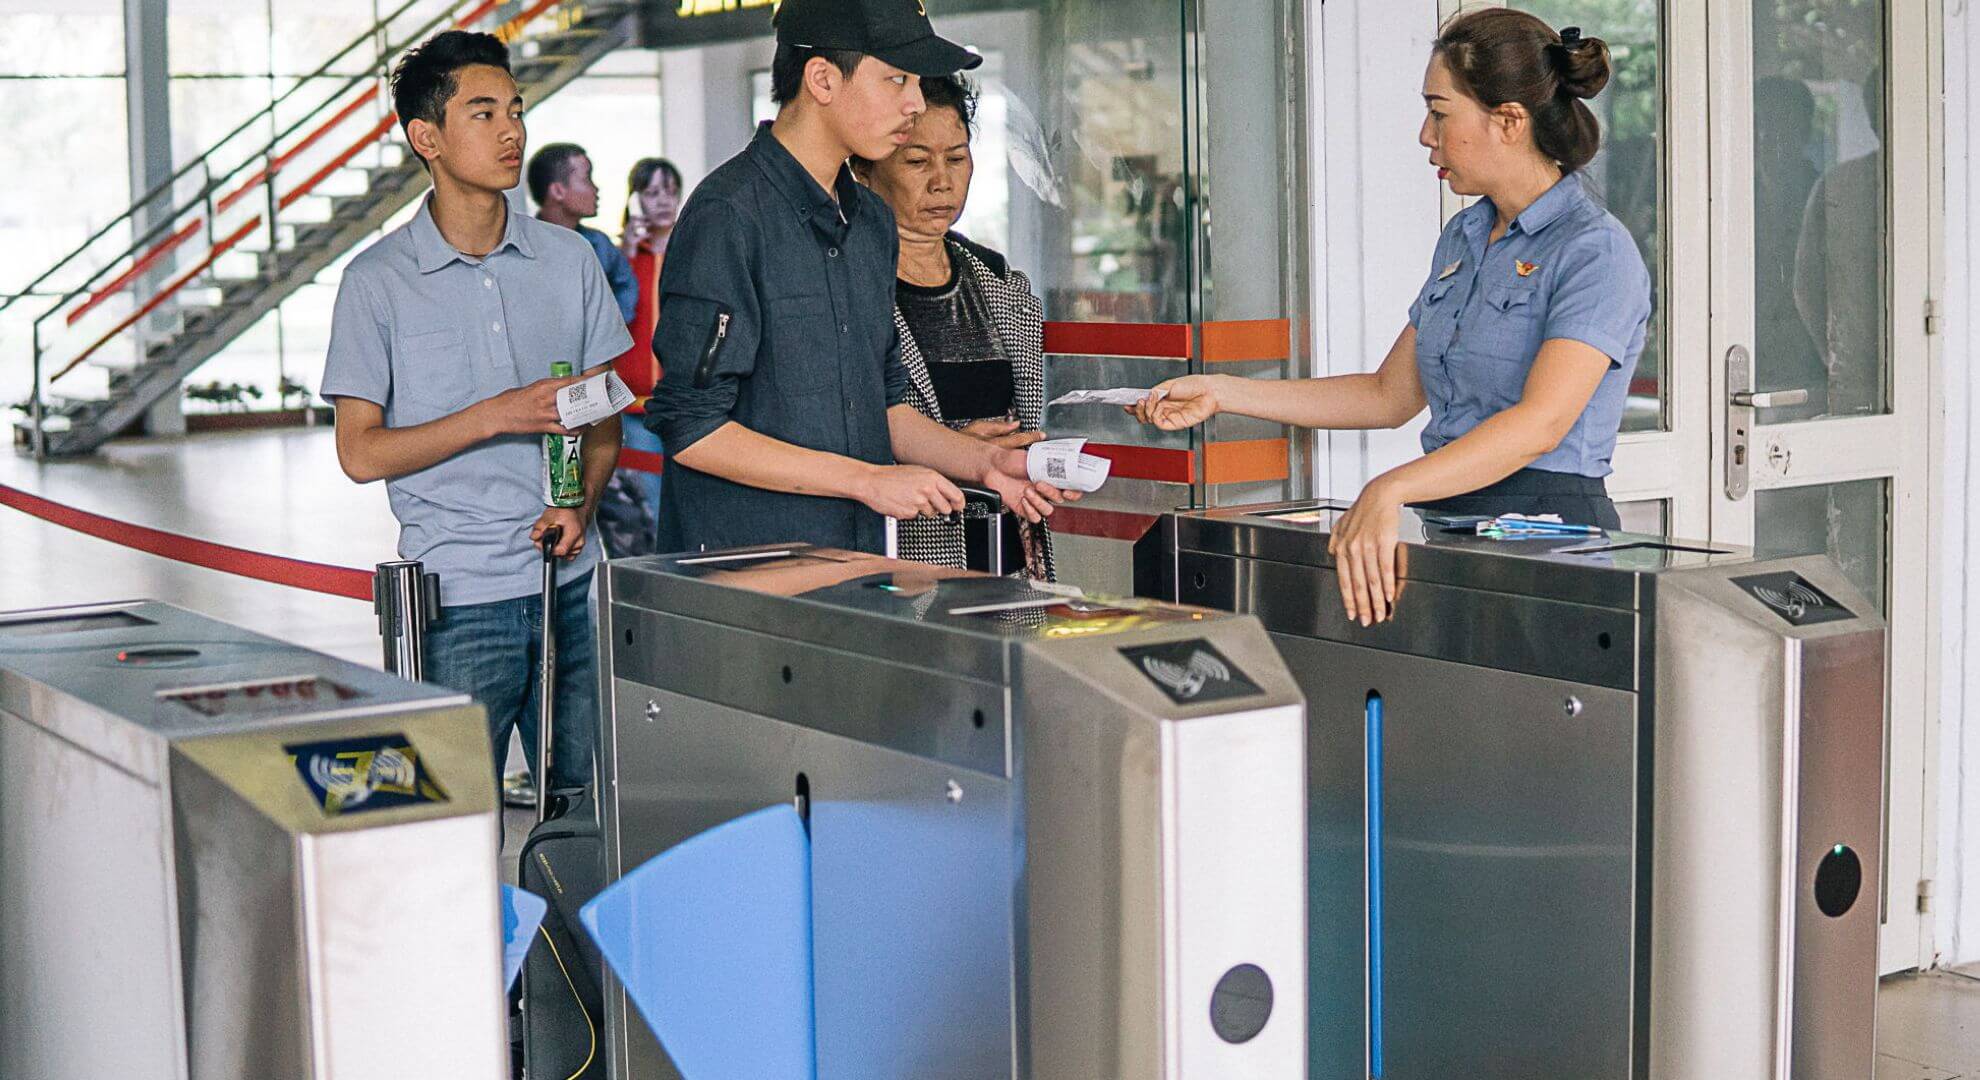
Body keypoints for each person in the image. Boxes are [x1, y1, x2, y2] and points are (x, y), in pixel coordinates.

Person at [1135, 10, 1650, 627]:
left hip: (1550, 543)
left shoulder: (1595, 250)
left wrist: (1391, 487)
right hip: (1452, 529)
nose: (1425, 136)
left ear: (1508, 120)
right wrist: (1221, 391)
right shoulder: (1466, 234)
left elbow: (1540, 424)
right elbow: (1389, 394)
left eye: (1440, 112)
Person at [644, 0, 1073, 558]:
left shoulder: (869, 222)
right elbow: (692, 428)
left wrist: (989, 464)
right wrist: (865, 480)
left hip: (857, 565)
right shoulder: (728, 215)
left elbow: (887, 405)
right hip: (748, 578)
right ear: (822, 79)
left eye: (916, 81)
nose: (914, 102)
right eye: (896, 79)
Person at [321, 30, 633, 791]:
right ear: (426, 136)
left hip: (574, 590)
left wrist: (583, 507)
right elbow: (361, 453)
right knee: (453, 822)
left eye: (517, 111)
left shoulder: (568, 260)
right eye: (484, 113)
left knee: (589, 820)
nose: (513, 132)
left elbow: (603, 415)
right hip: (457, 604)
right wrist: (494, 415)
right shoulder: (378, 282)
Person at [852, 73, 1056, 580]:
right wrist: (955, 448)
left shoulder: (1002, 284)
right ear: (864, 168)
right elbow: (829, 432)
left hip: (1008, 546)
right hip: (906, 551)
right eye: (918, 161)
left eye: (958, 158)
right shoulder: (848, 286)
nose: (942, 180)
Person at [528, 141, 640, 324]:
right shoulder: (520, 246)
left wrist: (609, 326)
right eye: (587, 178)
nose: (596, 189)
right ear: (557, 191)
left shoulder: (600, 244)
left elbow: (626, 285)